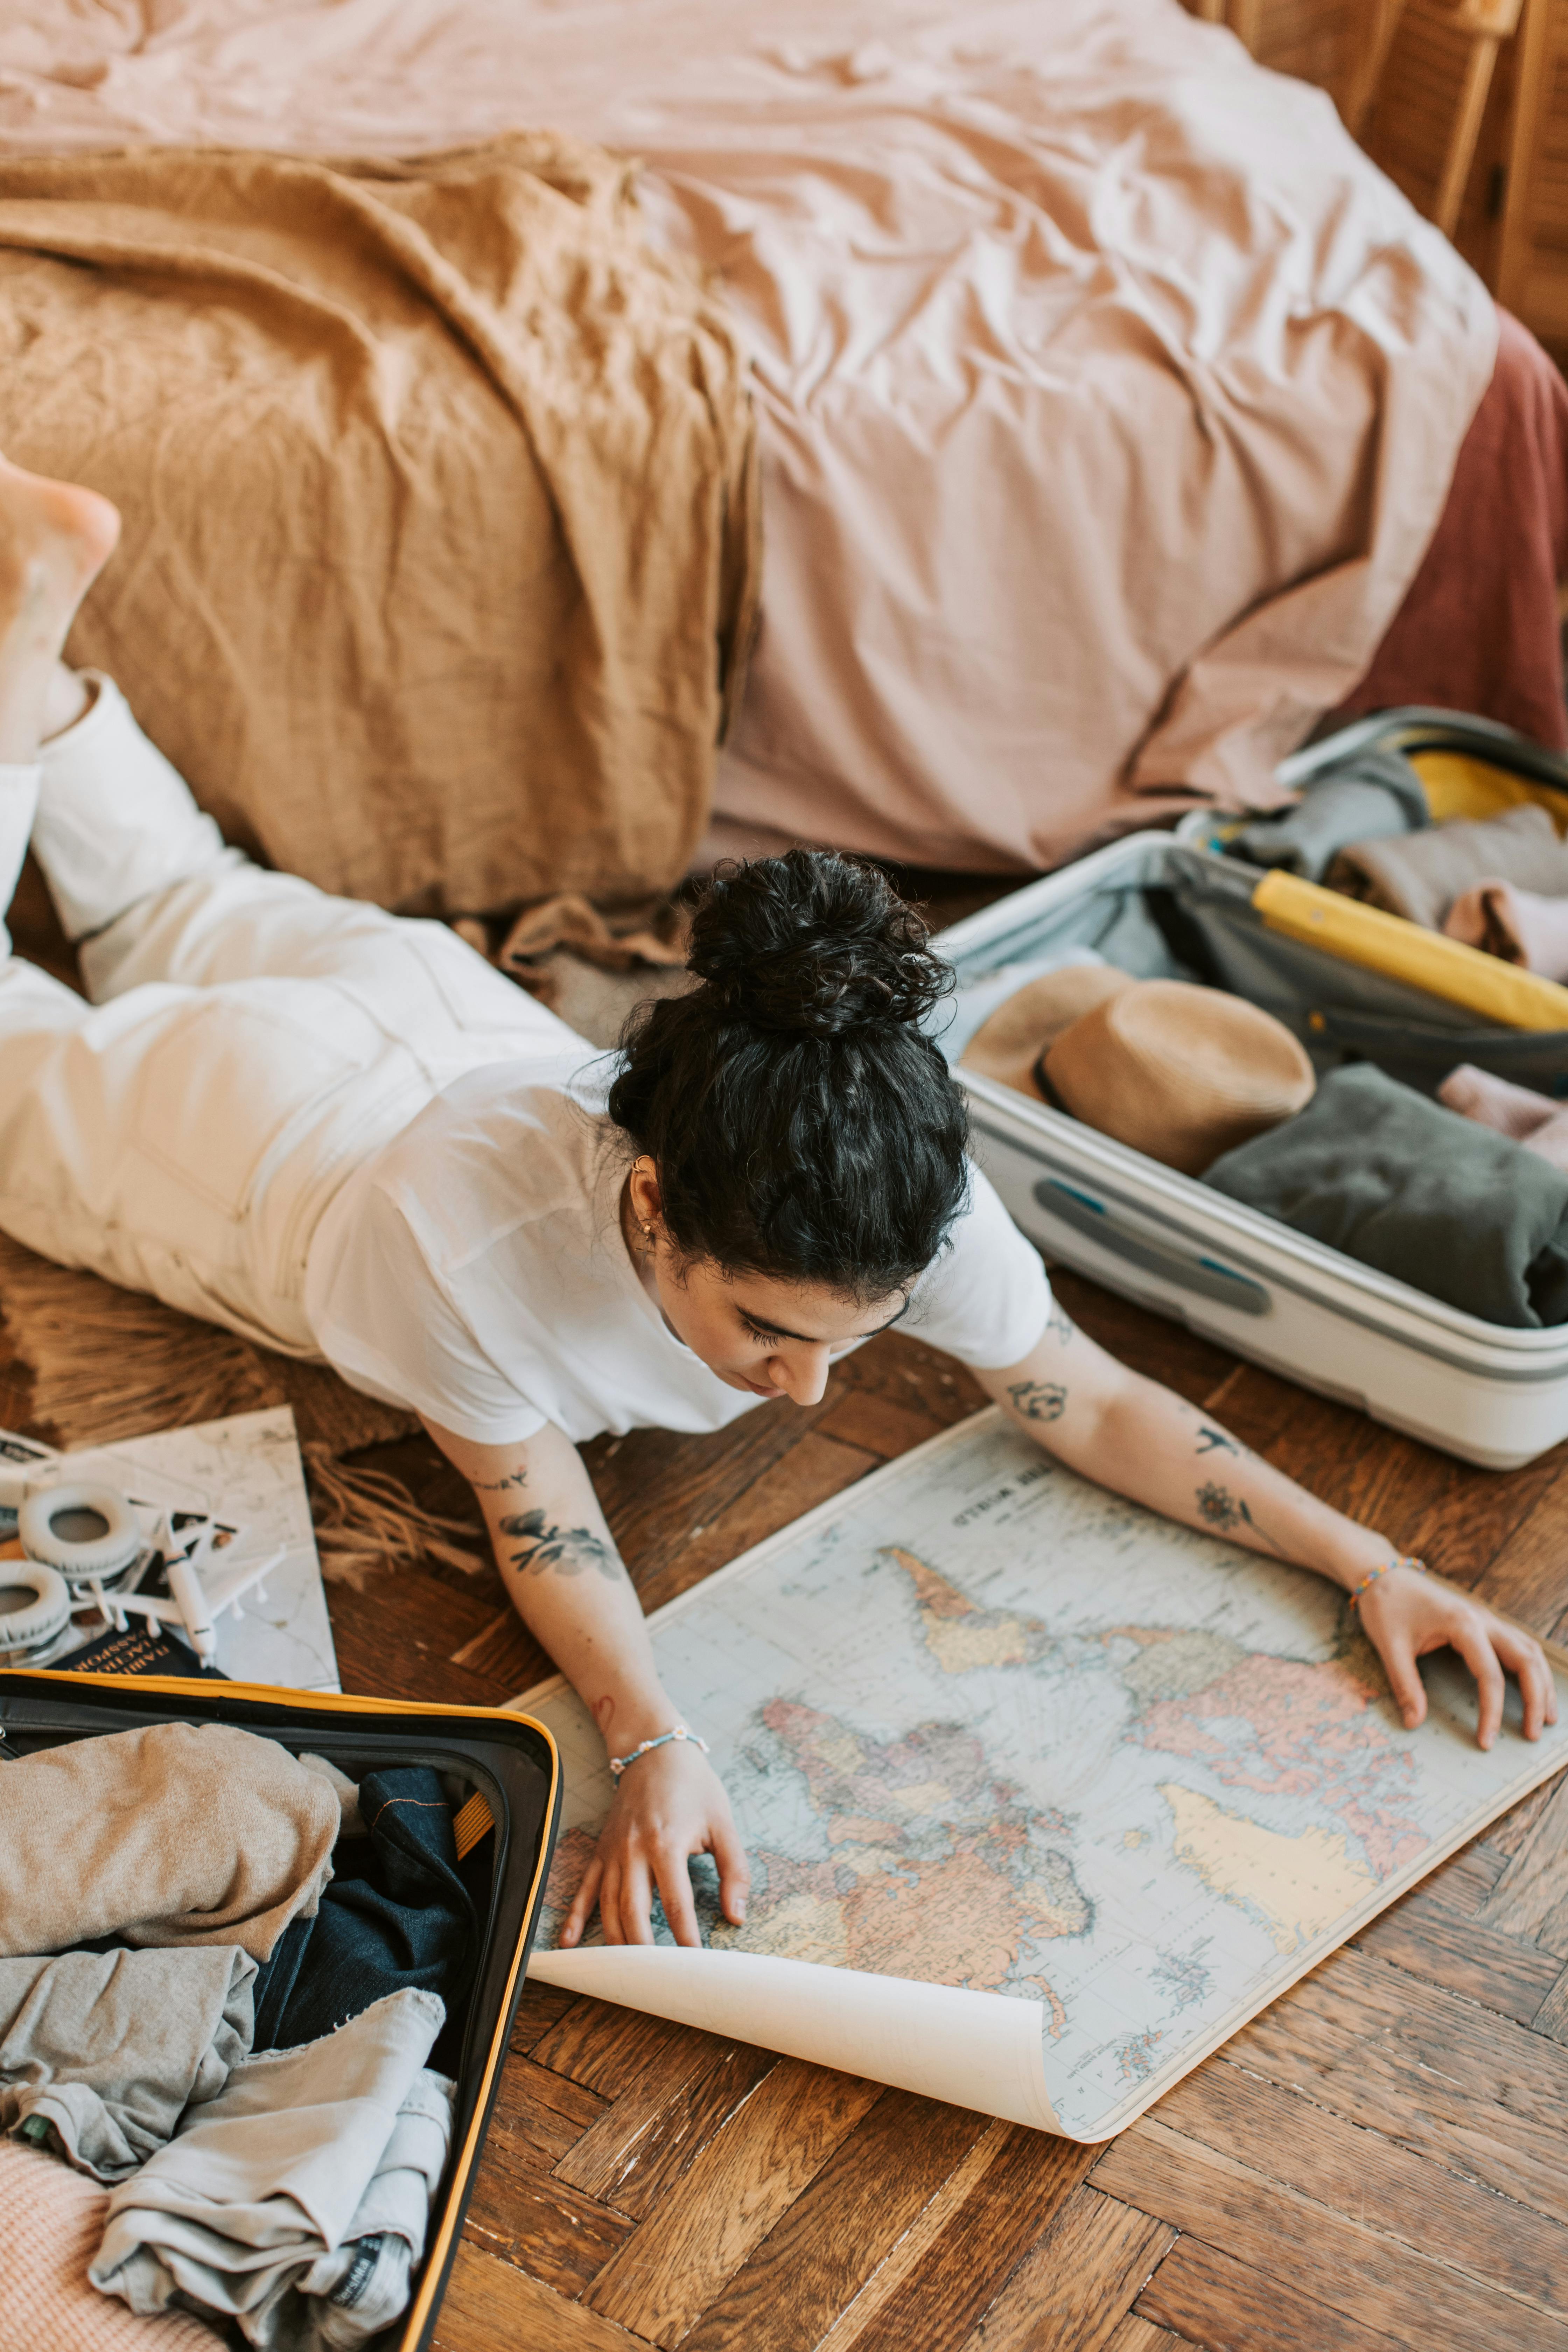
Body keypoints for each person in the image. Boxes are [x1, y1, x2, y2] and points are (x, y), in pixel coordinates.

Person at [0, 454, 1555, 1952]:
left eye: (847, 1340)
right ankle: (18, 645)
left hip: (411, 994)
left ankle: (46, 590)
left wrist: (1368, 1563)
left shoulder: (882, 1187)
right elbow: (537, 1515)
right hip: (264, 1143)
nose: (804, 1385)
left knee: (172, 901)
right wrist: (651, 1734)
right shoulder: (447, 1249)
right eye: (763, 1330)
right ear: (656, 1204)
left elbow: (1084, 1399)